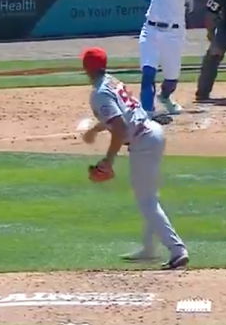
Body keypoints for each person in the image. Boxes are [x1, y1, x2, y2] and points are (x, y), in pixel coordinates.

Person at [78, 46, 189, 271]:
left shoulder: (99, 93)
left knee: (147, 201)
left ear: (86, 68)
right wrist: (96, 130)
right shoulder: (112, 81)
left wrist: (108, 160)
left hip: (144, 142)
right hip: (152, 133)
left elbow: (119, 128)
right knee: (151, 197)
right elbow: (118, 117)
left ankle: (177, 250)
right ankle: (149, 249)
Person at [119, 0, 193, 116]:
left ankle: (165, 97)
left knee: (171, 79)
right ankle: (147, 111)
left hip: (174, 32)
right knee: (148, 72)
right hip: (150, 30)